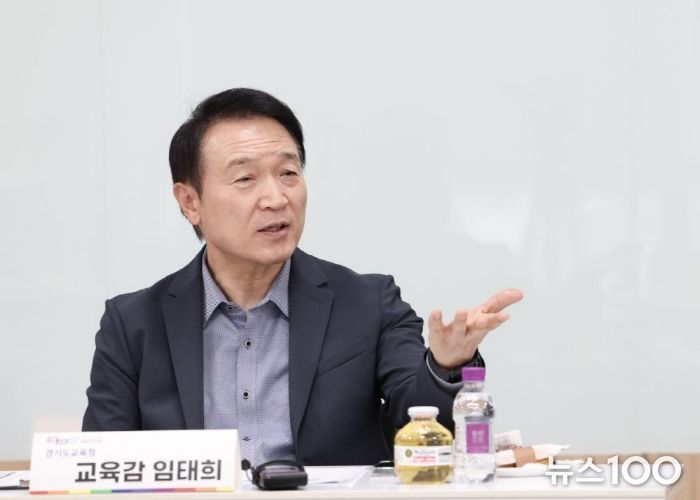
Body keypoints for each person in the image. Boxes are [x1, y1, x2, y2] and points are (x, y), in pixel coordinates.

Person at [82, 88, 523, 466]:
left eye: (289, 173)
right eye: (246, 178)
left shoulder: (368, 303)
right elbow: (100, 469)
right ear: (189, 202)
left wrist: (444, 364)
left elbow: (421, 426)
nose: (276, 198)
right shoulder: (133, 324)